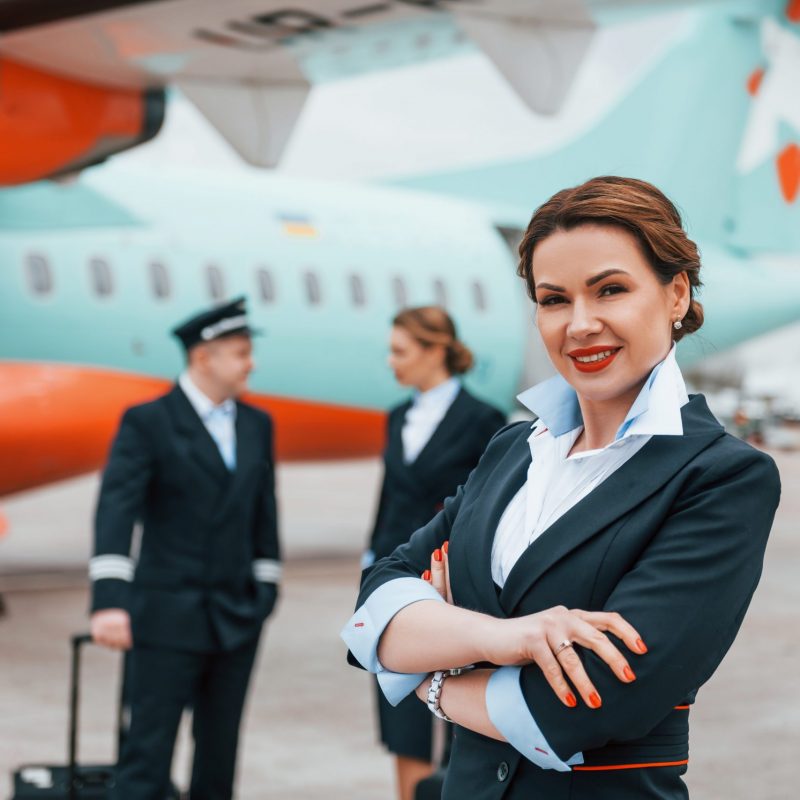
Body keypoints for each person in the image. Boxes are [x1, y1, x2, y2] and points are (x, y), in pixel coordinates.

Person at [343, 177, 781, 799]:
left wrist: (427, 676)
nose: (580, 324)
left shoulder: (721, 477)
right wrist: (509, 638)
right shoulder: (512, 452)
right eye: (554, 299)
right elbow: (374, 607)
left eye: (610, 290)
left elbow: (589, 705)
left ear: (676, 293)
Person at [89, 296, 281, 800]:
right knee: (146, 755)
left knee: (219, 755)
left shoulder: (257, 424)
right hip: (164, 617)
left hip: (236, 616)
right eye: (240, 352)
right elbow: (116, 508)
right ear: (204, 358)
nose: (251, 363)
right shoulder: (147, 421)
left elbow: (265, 511)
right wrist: (109, 599)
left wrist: (266, 585)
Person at [364, 306, 506, 800]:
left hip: (452, 585)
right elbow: (388, 499)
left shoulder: (483, 420)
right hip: (397, 579)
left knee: (457, 709)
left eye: (400, 351)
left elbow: (486, 506)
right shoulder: (397, 416)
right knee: (399, 706)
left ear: (435, 350)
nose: (391, 361)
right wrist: (371, 568)